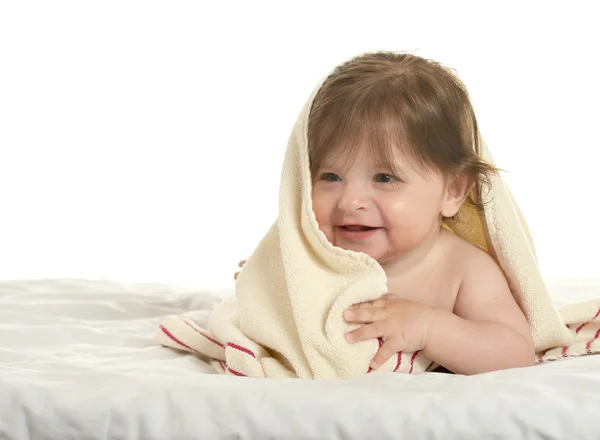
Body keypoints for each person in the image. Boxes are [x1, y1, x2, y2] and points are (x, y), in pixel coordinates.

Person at [235, 51, 534, 375]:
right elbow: (271, 315)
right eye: (330, 177)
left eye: (384, 178)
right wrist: (264, 284)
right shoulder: (308, 253)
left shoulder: (462, 269)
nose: (350, 201)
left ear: (452, 191)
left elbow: (514, 353)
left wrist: (430, 328)